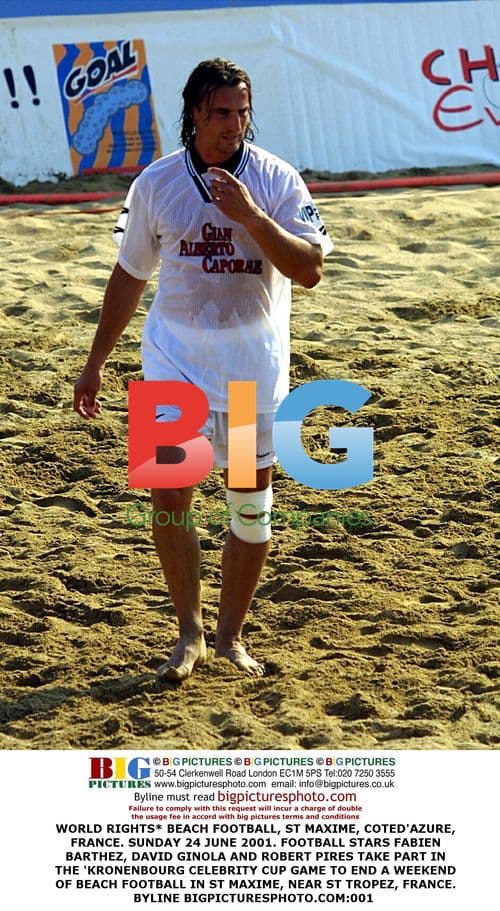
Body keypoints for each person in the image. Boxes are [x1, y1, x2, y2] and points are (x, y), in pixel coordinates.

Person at [73, 58, 333, 681]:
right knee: (169, 499)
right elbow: (130, 274)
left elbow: (310, 269)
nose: (233, 125)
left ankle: (230, 636)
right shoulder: (157, 184)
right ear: (194, 113)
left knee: (250, 509)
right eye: (221, 113)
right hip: (173, 363)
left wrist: (251, 218)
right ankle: (188, 630)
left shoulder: (275, 180)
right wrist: (95, 363)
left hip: (251, 372)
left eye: (242, 113)